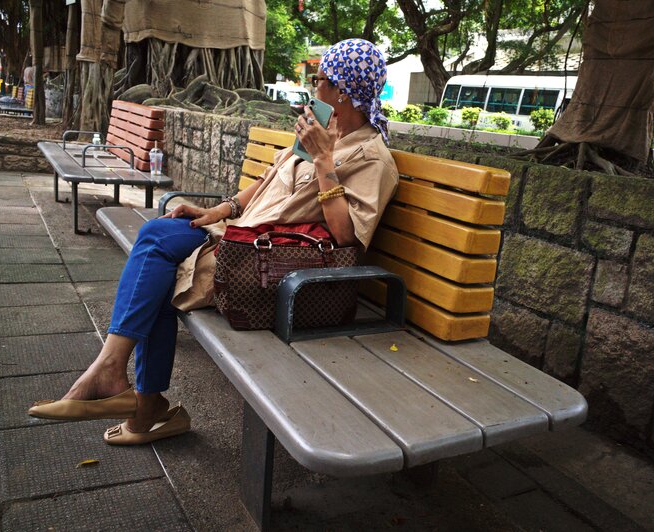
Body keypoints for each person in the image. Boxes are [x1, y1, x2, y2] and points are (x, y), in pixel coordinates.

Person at [28, 39, 399, 445]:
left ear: (343, 90)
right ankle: (123, 384)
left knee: (156, 273)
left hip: (265, 260)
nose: (314, 88)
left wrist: (325, 162)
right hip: (237, 234)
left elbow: (347, 237)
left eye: (320, 80)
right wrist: (217, 210)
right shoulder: (321, 133)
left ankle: (129, 390)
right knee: (155, 236)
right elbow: (267, 182)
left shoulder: (371, 157)